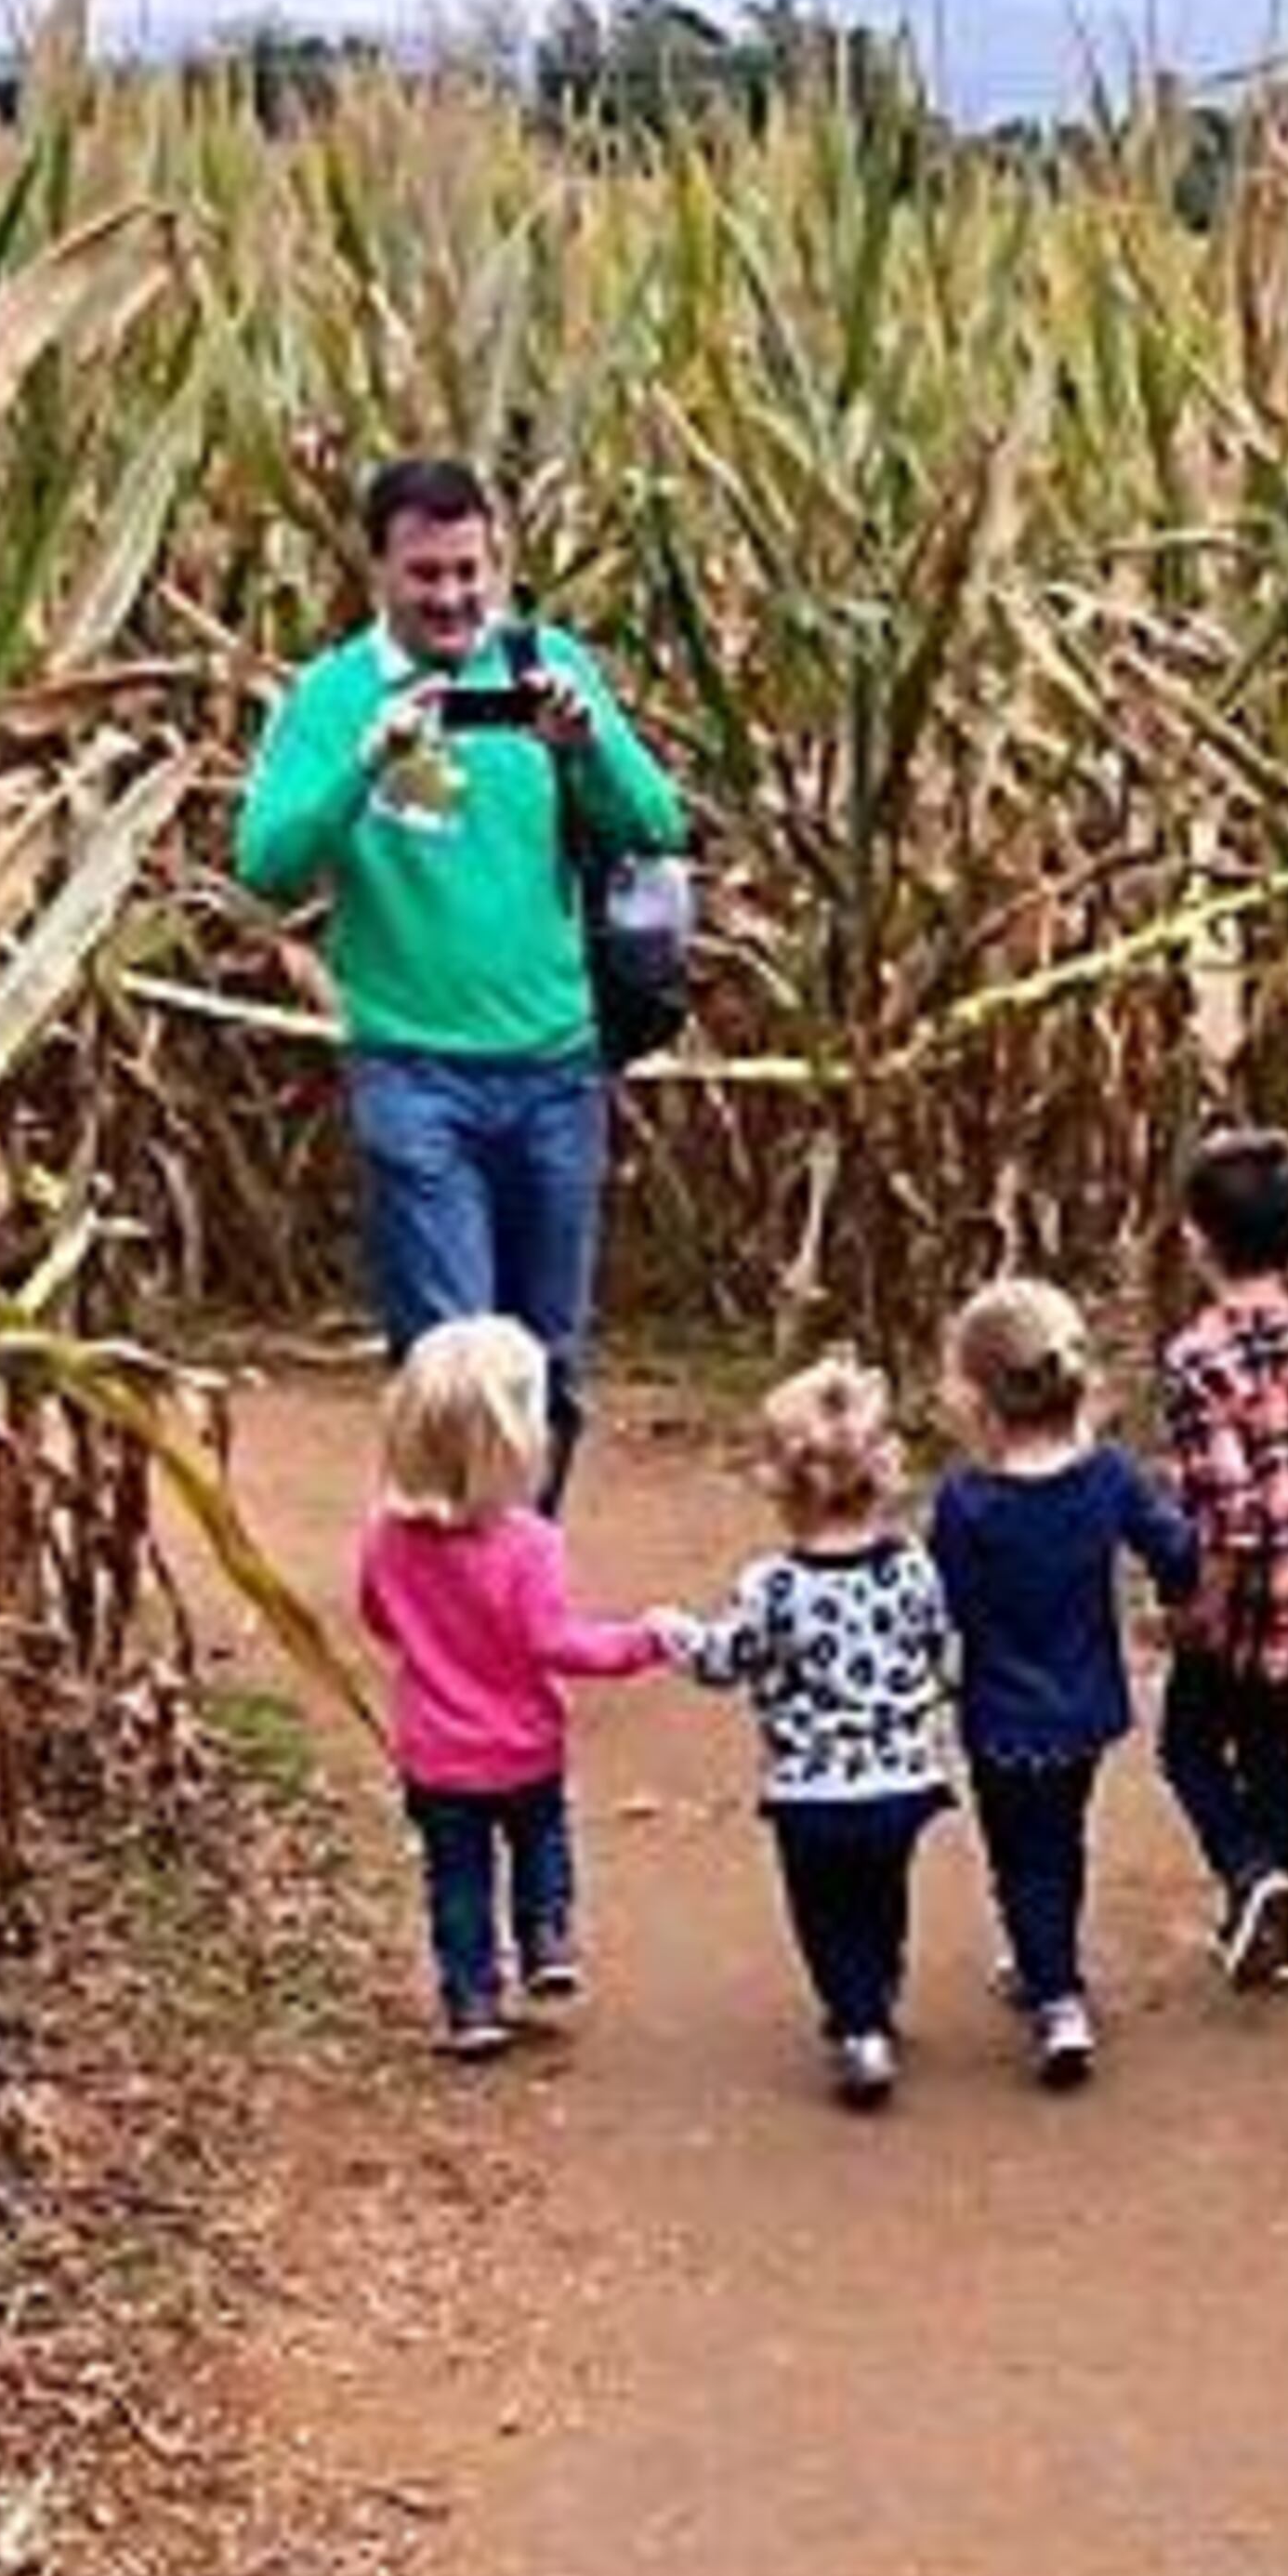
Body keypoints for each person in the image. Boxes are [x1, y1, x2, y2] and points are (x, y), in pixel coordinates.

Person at [234, 455, 684, 1502]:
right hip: (412, 1068)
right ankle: (453, 1605)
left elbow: (657, 825)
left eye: (469, 571)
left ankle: (520, 1580)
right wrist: (364, 765)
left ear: (500, 561)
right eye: (426, 573)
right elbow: (267, 865)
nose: (451, 597)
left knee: (548, 1364)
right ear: (376, 568)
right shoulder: (335, 696)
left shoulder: (543, 665)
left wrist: (583, 751)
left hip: (557, 1067)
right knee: (450, 1361)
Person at [650, 1355, 953, 2109]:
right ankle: (878, 1989)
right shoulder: (914, 1567)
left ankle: (858, 2027)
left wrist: (672, 1633)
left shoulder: (773, 1586)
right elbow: (944, 1651)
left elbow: (726, 1661)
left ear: (781, 1483)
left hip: (811, 1789)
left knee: (822, 1909)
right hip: (903, 1779)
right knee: (882, 1892)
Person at [358, 1314, 666, 2056]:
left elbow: (378, 1616)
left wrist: (436, 1641)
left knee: (456, 1878)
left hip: (436, 1753)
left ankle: (471, 2002)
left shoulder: (386, 1538)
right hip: (525, 1744)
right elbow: (556, 1642)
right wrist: (645, 1639)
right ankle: (547, 1936)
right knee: (541, 1837)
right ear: (514, 1441)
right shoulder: (530, 1543)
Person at [927, 1278, 1197, 2089]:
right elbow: (1174, 1549)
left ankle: (1056, 1994)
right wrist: (1190, 1583)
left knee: (1019, 1856)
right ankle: (1050, 1961)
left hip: (1001, 1716)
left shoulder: (968, 1501)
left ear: (977, 1396)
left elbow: (948, 1605)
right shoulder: (1108, 1477)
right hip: (1082, 1711)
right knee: (1063, 1844)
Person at [1157, 1128, 1288, 1991]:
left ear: (1195, 1238)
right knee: (1274, 1753)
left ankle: (1250, 1876)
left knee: (1189, 1747)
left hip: (1242, 1607)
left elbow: (1233, 1516)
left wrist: (1203, 1604)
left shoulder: (1199, 1359)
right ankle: (1283, 1934)